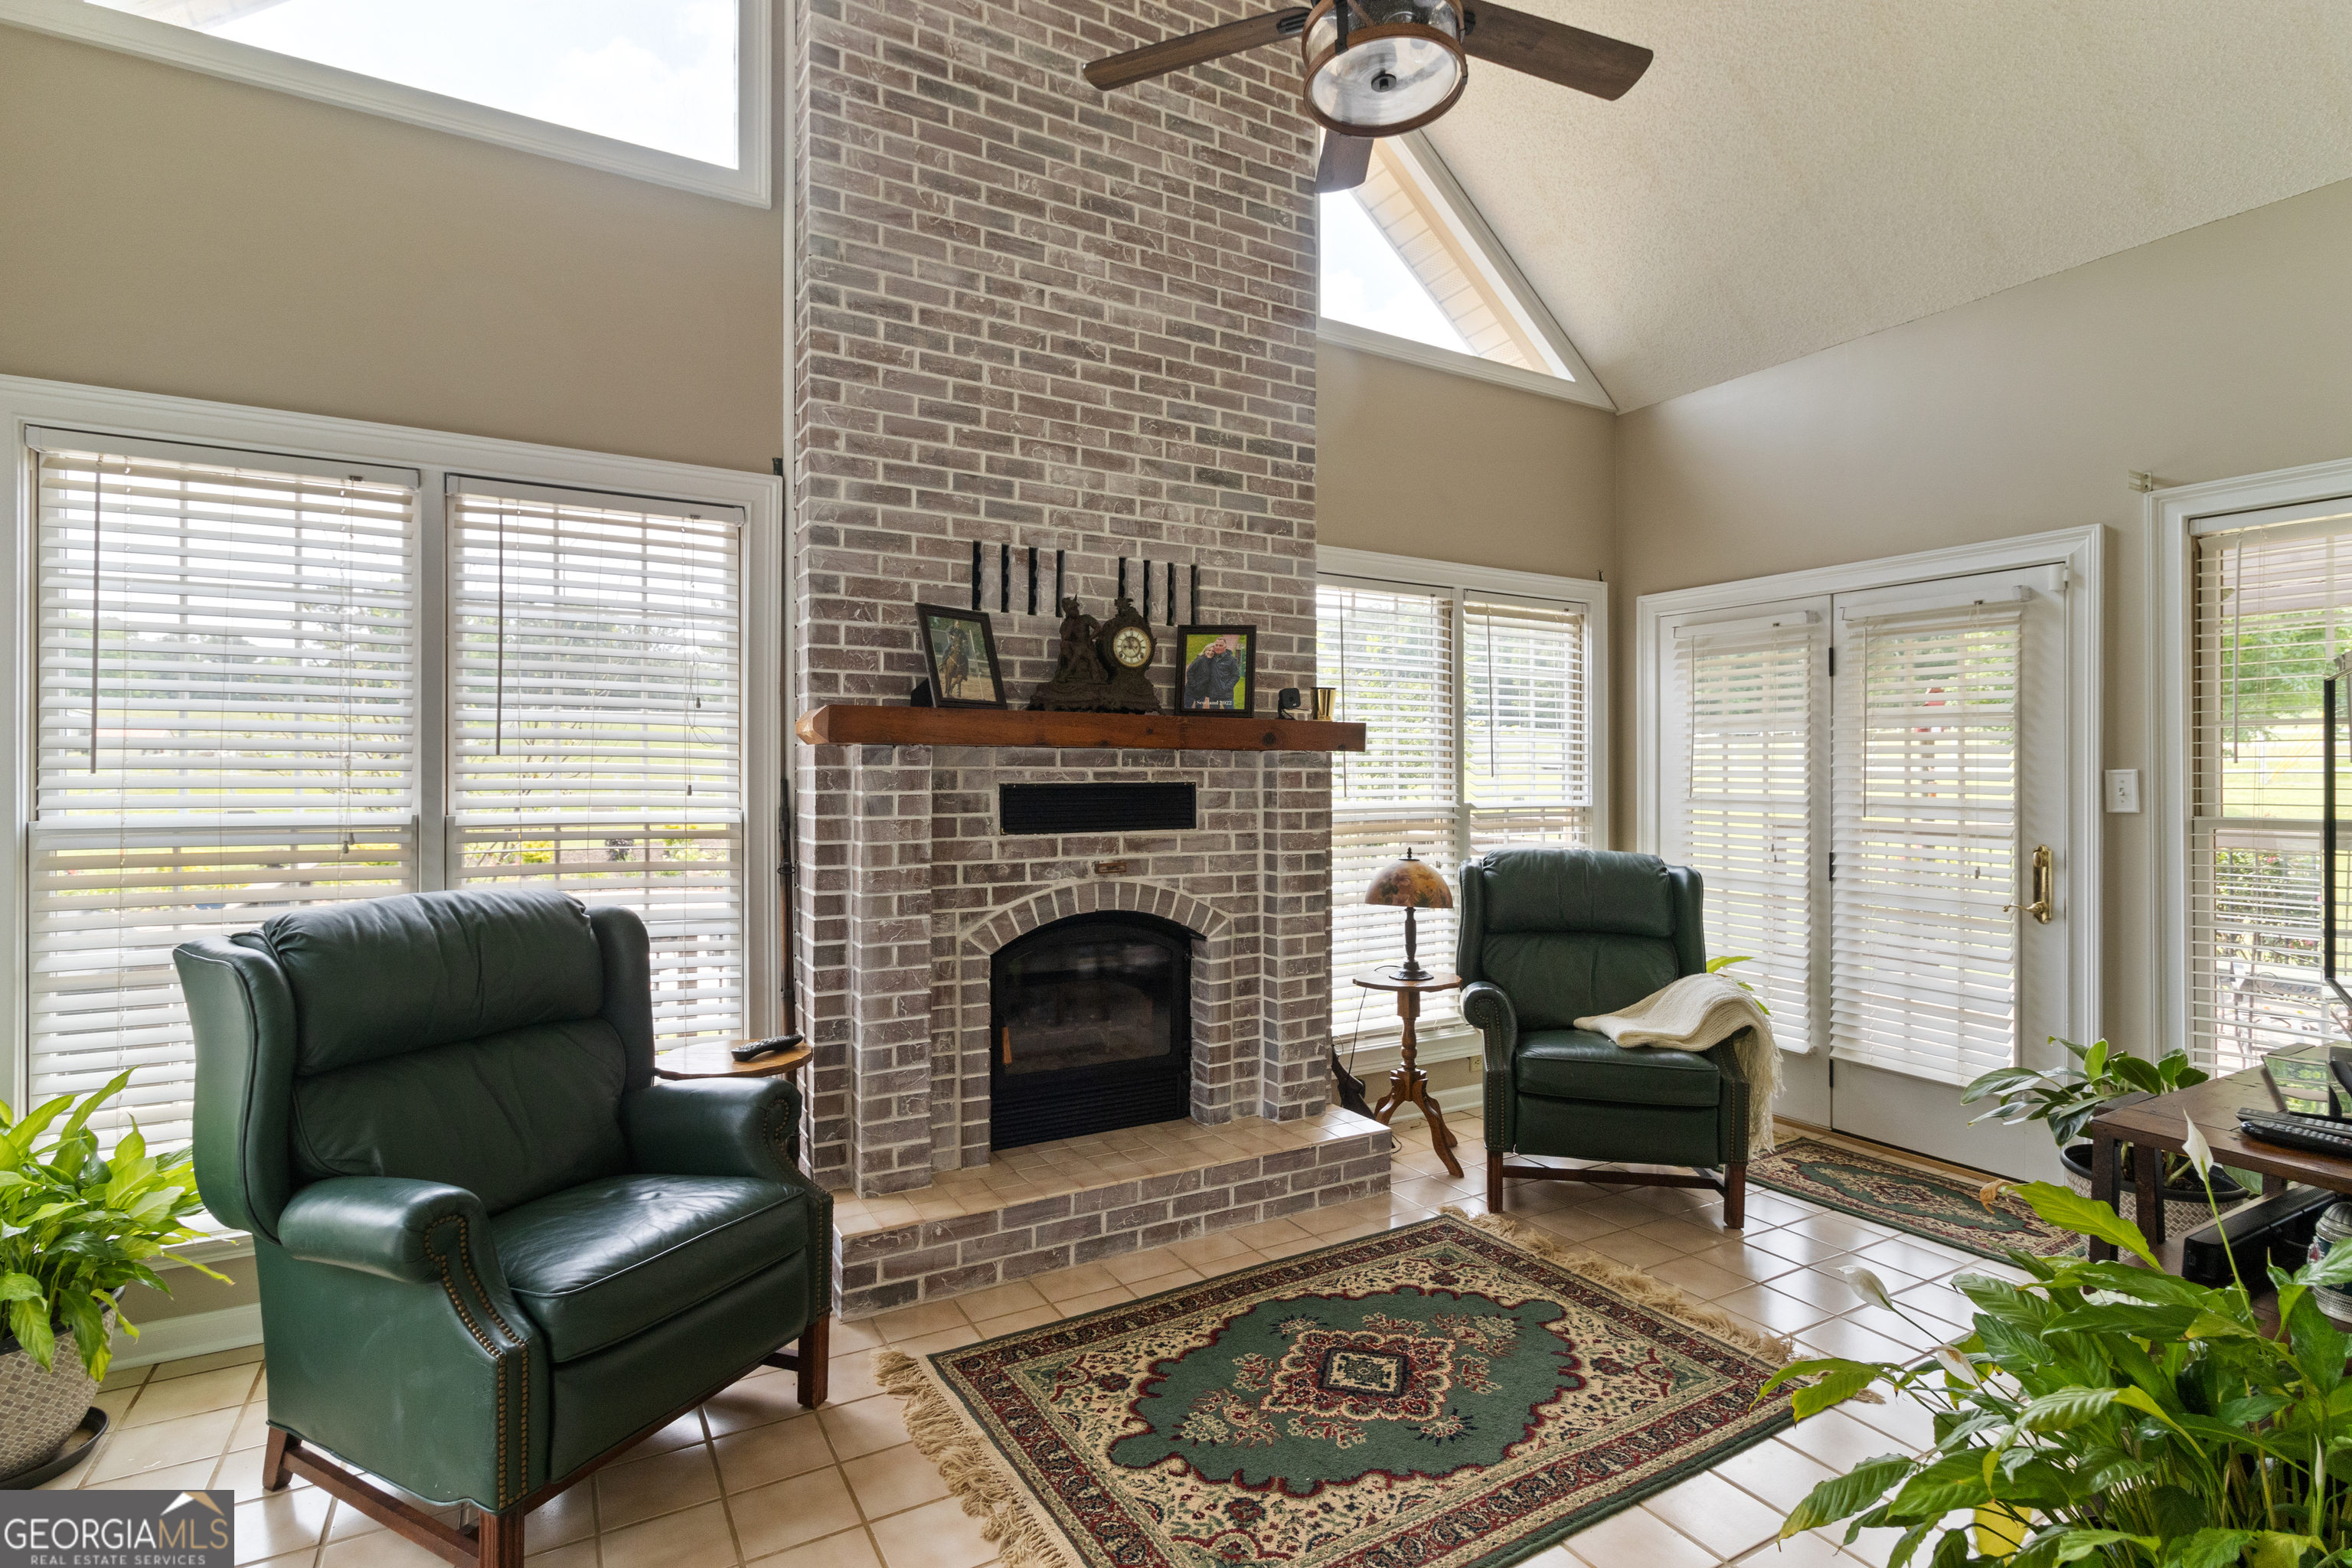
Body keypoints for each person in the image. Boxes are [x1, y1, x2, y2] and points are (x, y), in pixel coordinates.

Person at [1184, 635, 1243, 710]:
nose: (1218, 647)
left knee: (1231, 713)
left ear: (1225, 646)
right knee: (1213, 714)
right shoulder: (1211, 657)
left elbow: (1236, 676)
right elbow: (1192, 670)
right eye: (1216, 645)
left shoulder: (1231, 660)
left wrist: (1227, 687)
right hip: (1214, 695)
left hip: (1226, 694)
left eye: (1220, 645)